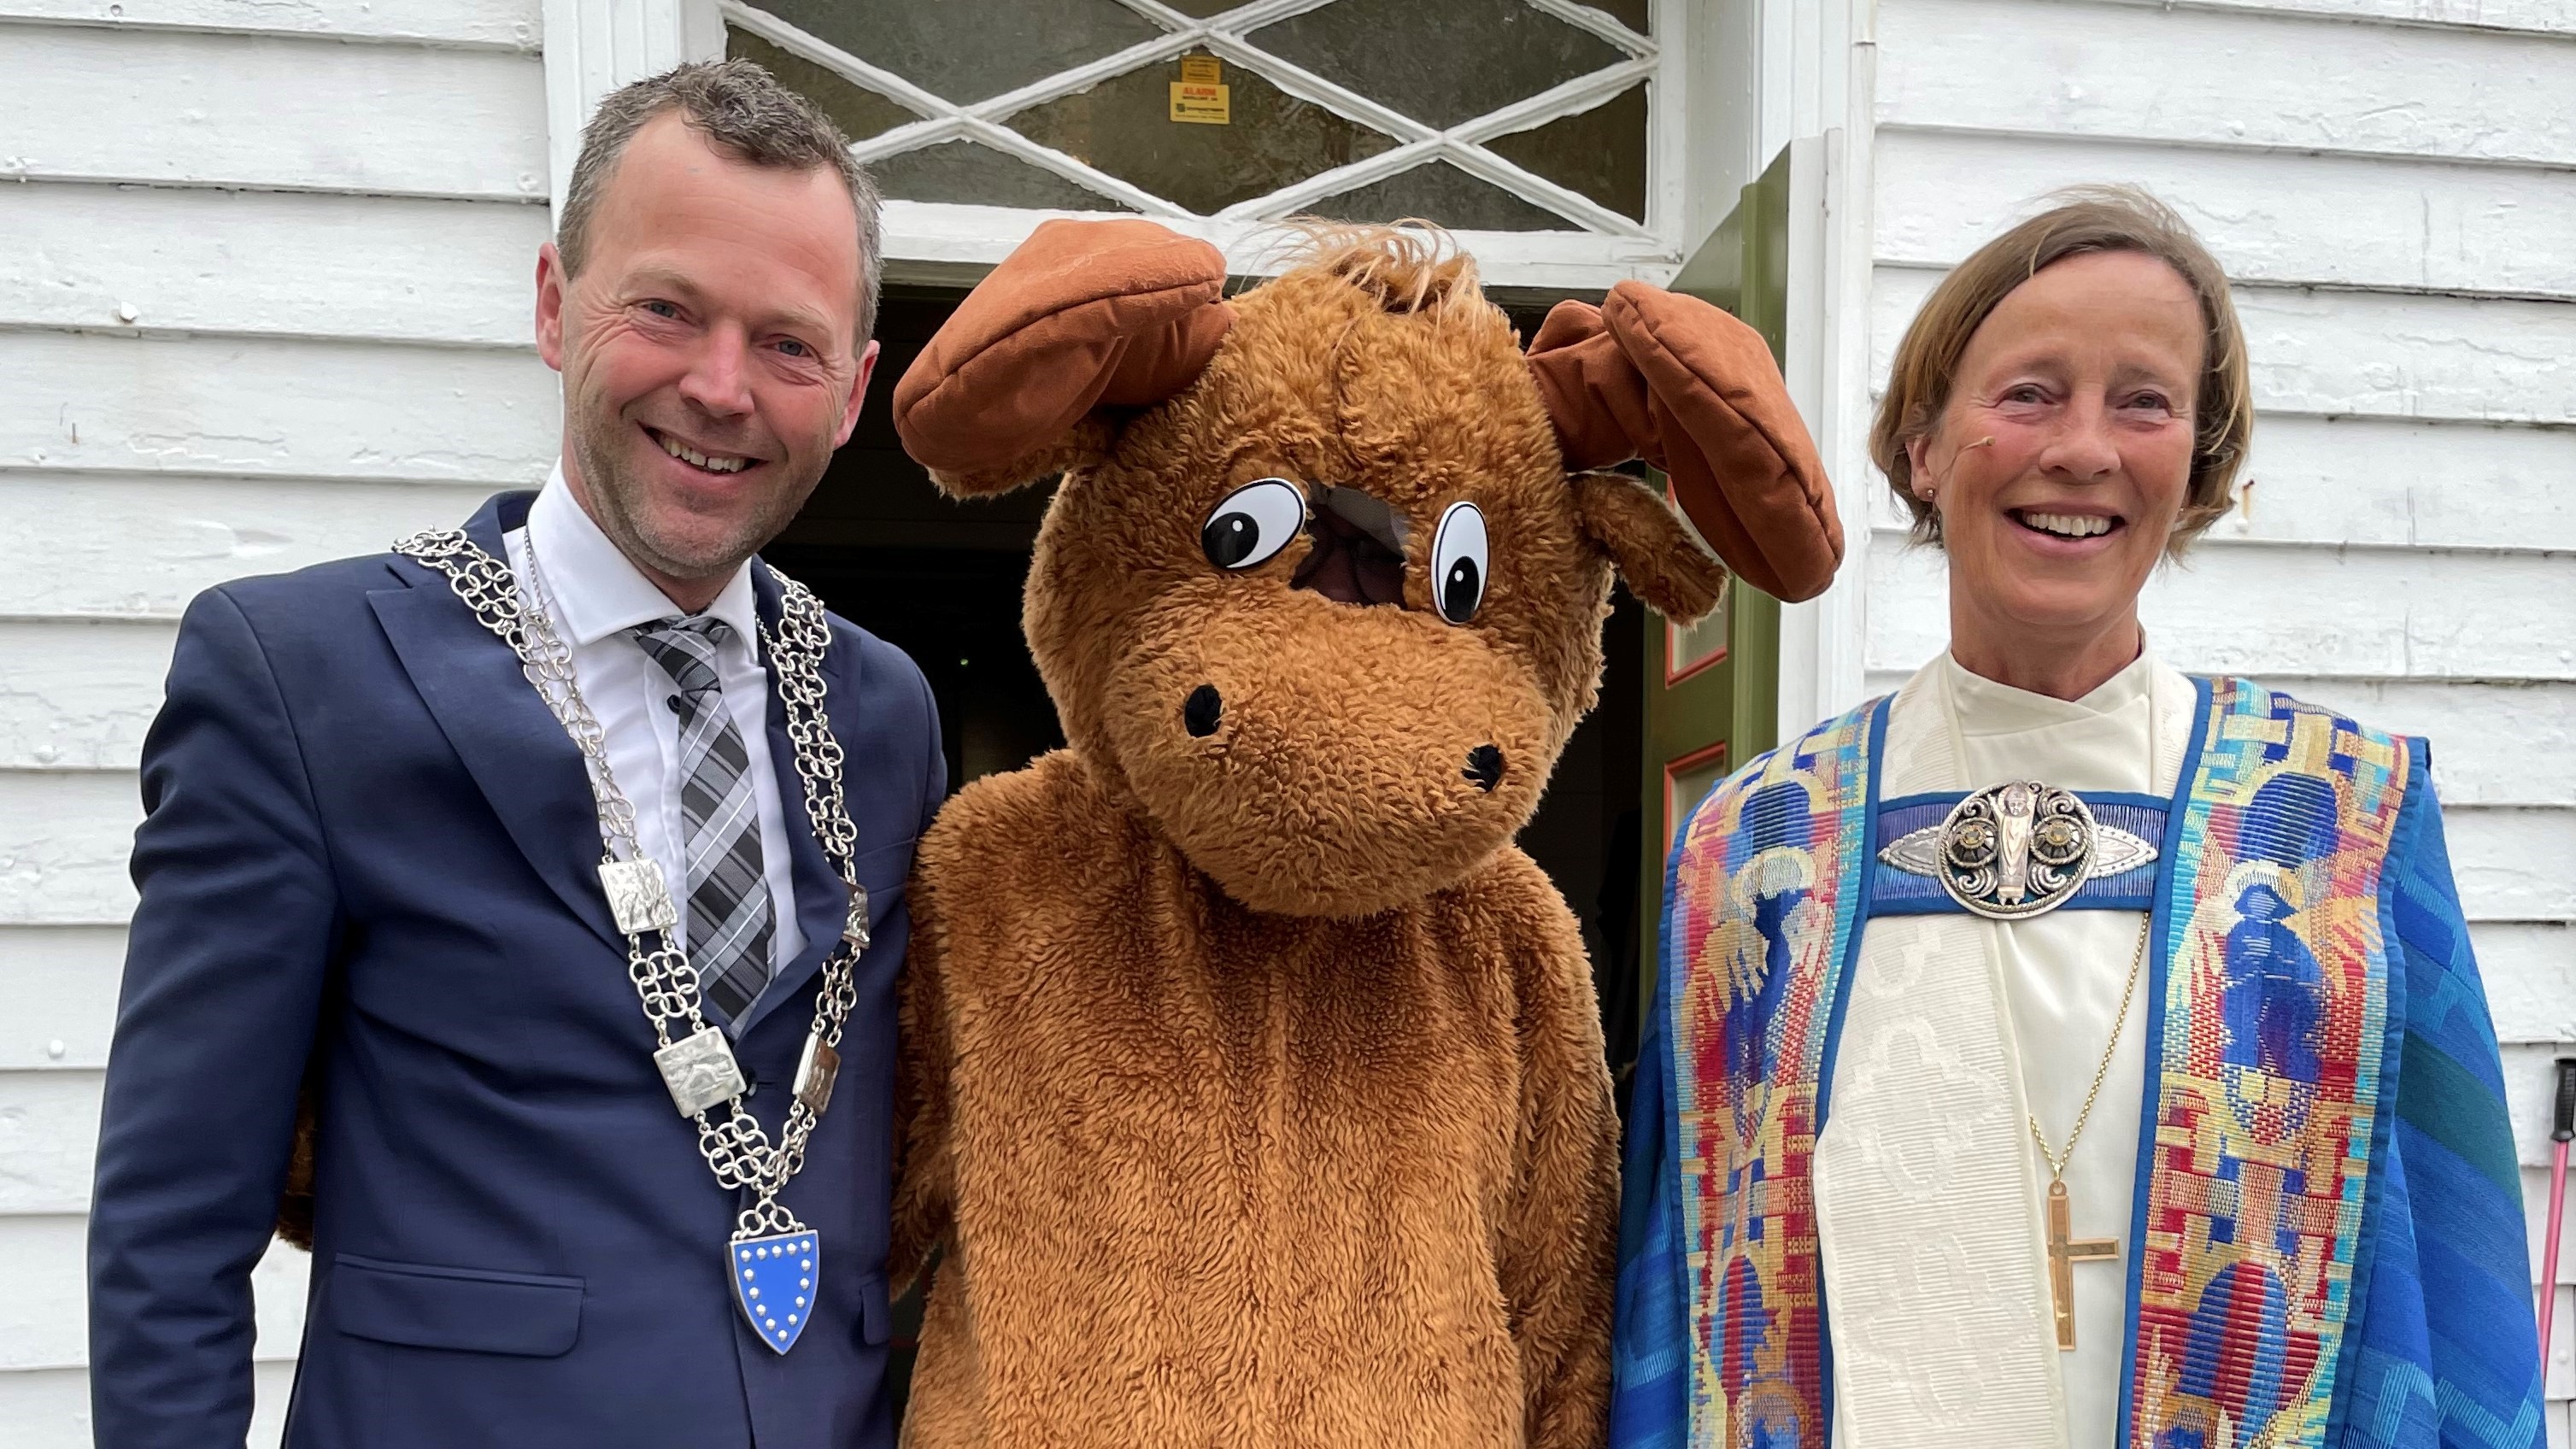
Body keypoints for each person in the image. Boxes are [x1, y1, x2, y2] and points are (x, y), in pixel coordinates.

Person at [87, 61, 942, 1448]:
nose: (721, 387)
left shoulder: (885, 712)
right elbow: (170, 1230)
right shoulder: (302, 678)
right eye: (666, 310)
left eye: (789, 344)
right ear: (554, 304)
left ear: (851, 393)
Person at [1610, 188, 2544, 1449]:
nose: (2084, 449)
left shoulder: (2339, 819)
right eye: (2030, 393)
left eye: (2144, 402)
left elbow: (2451, 1277)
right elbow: (1682, 1288)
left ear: (2198, 466)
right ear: (1923, 447)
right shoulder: (1754, 844)